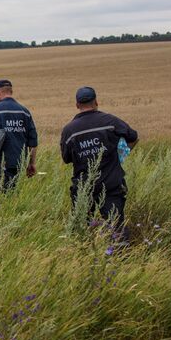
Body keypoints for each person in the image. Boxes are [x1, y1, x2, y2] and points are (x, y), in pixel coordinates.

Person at [60, 86, 138, 241]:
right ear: (96, 102)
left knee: (82, 231)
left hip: (84, 187)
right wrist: (122, 154)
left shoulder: (69, 130)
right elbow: (133, 137)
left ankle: (85, 257)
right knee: (116, 227)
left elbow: (66, 158)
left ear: (77, 105)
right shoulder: (110, 121)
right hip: (111, 185)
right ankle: (121, 258)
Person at [0, 79, 38, 190]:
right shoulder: (24, 111)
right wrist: (31, 163)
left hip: (0, 161)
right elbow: (32, 141)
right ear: (11, 92)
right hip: (19, 161)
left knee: (3, 190)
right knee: (12, 188)